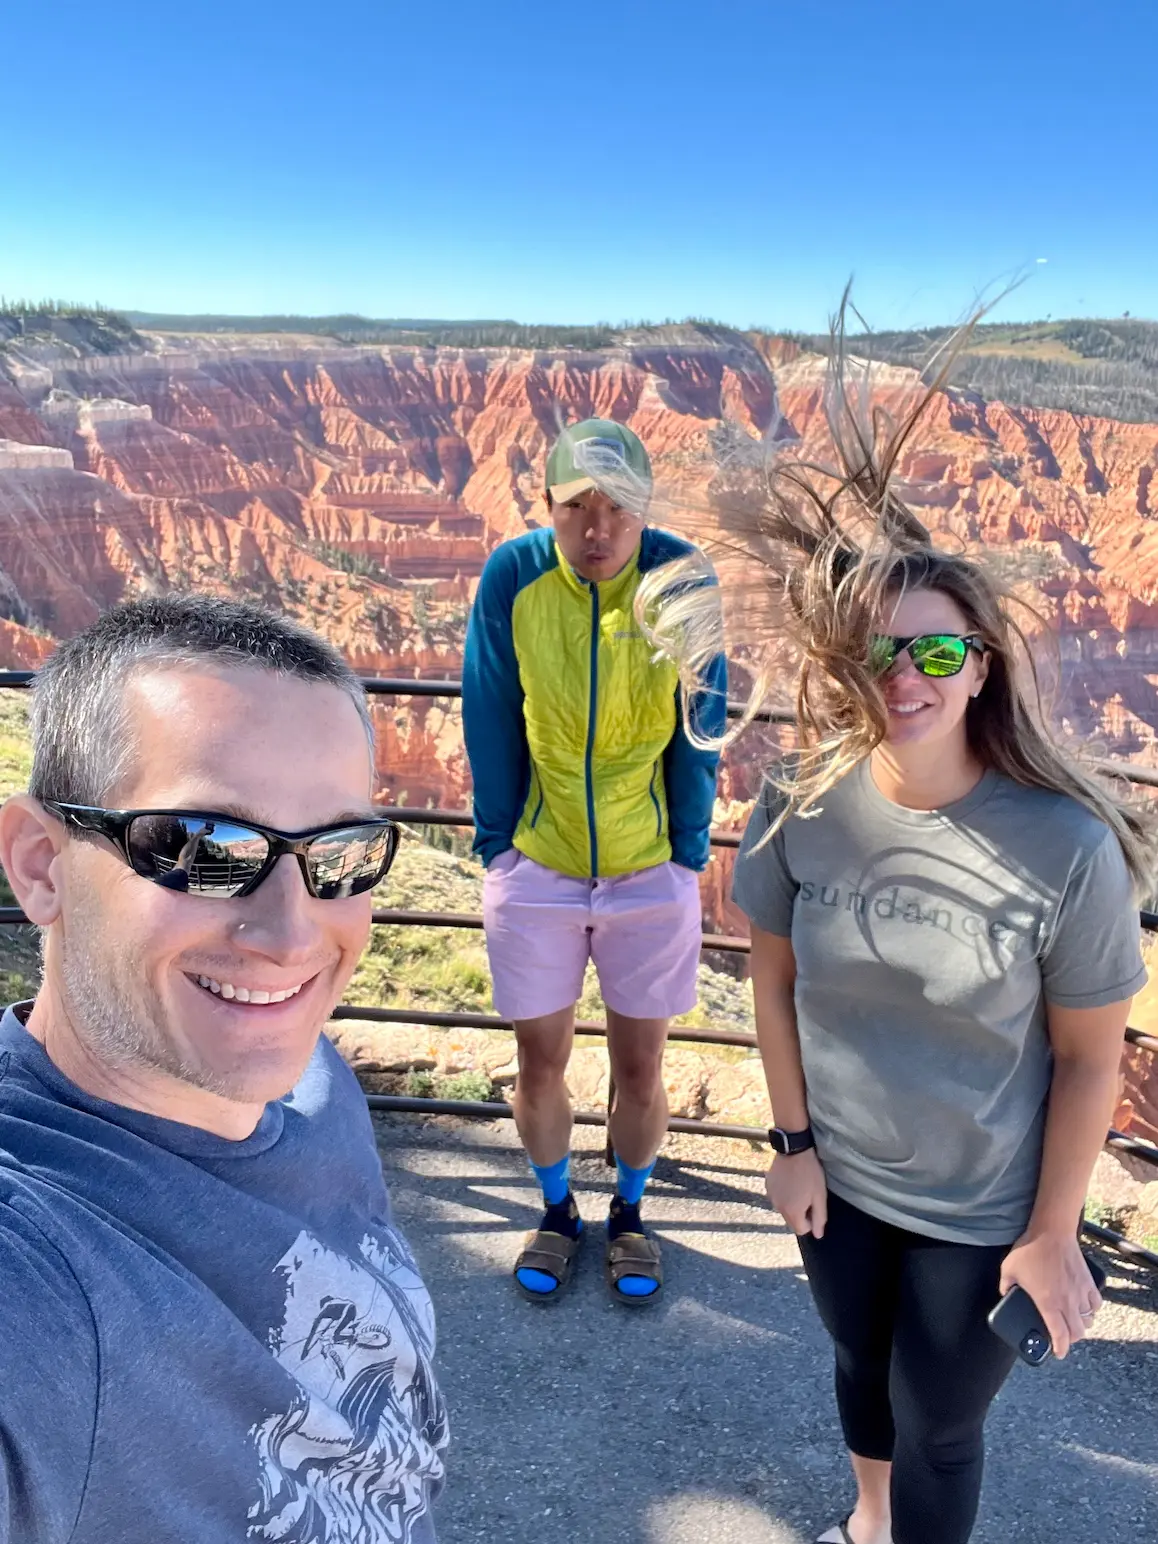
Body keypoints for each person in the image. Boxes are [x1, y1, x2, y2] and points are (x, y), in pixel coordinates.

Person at [649, 326, 1153, 1544]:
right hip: (842, 1176)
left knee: (940, 1418)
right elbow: (770, 980)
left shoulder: (1064, 845)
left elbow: (1090, 1059)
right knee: (855, 1368)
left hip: (982, 1205)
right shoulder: (801, 803)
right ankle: (867, 1523)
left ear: (979, 666)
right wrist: (788, 1142)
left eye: (935, 649)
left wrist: (1050, 1232)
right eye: (882, 649)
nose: (905, 675)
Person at [0, 595, 449, 1543]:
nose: (291, 936)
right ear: (42, 864)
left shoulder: (313, 1081)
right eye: (205, 848)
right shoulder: (37, 1268)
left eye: (338, 853)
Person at [462, 417, 726, 1304]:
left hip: (648, 868)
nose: (598, 529)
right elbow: (490, 711)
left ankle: (632, 1213)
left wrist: (685, 855)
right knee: (540, 1062)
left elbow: (700, 727)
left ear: (645, 509)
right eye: (577, 507)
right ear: (548, 508)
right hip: (539, 863)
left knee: (641, 1068)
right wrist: (499, 849)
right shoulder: (515, 576)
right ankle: (556, 1210)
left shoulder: (681, 577)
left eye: (619, 508)